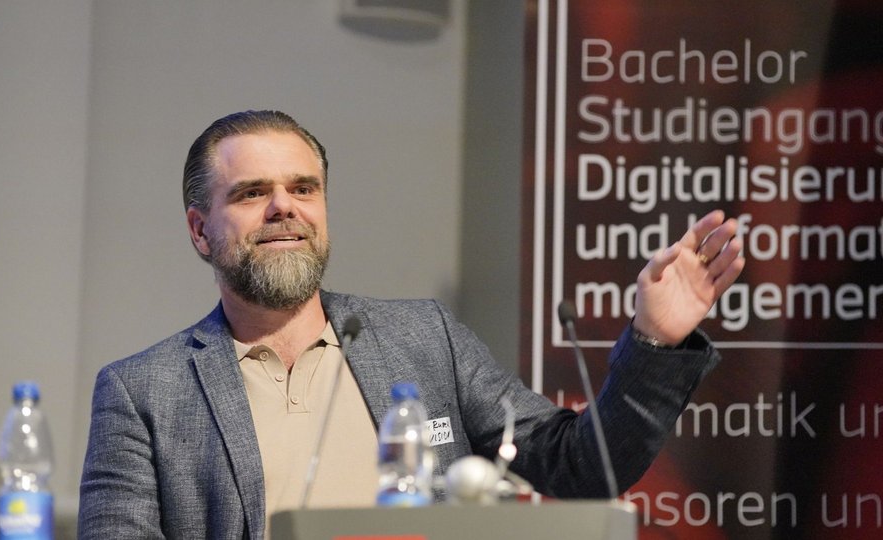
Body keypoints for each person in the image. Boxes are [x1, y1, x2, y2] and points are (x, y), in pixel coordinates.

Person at [78, 110, 744, 539]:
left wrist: (655, 341)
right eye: (253, 193)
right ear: (200, 230)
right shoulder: (144, 392)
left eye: (304, 188)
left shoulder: (423, 338)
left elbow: (583, 468)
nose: (284, 208)